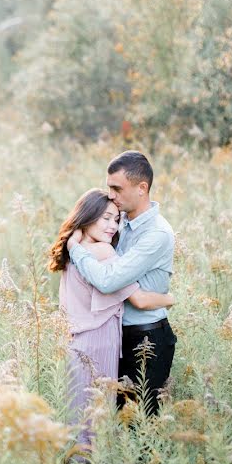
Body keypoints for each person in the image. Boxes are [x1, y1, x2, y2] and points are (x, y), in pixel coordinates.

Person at [49, 188, 175, 449]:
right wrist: (170, 298)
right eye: (105, 218)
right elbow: (140, 300)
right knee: (96, 422)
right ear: (87, 217)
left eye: (116, 219)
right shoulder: (104, 253)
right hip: (98, 343)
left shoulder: (72, 252)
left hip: (75, 343)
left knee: (77, 418)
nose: (112, 226)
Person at [66, 151, 176, 416]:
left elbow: (108, 281)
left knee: (142, 428)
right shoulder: (119, 221)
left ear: (142, 188)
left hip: (146, 340)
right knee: (113, 421)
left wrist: (75, 247)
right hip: (116, 337)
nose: (111, 195)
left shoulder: (157, 234)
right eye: (109, 188)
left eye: (117, 188)